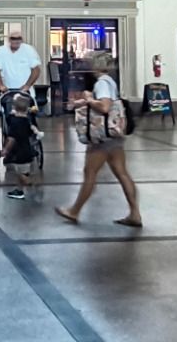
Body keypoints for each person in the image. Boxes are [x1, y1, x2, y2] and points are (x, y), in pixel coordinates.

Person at [55, 52, 142, 227]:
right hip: (114, 135)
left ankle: (74, 211)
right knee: (122, 173)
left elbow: (104, 106)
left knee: (90, 173)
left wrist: (88, 99)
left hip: (102, 137)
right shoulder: (109, 81)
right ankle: (135, 213)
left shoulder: (102, 83)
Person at [0, 30, 42, 107]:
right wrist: (0, 85)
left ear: (21, 40)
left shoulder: (29, 49)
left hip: (25, 91)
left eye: (18, 38)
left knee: (28, 114)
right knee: (8, 112)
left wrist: (27, 85)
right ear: (9, 39)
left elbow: (36, 70)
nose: (16, 40)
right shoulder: (1, 50)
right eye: (13, 38)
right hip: (7, 90)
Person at [1, 94, 40, 199]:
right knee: (24, 172)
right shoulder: (26, 120)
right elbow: (30, 132)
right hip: (27, 150)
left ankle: (31, 183)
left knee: (19, 173)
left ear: (14, 107)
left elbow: (11, 139)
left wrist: (5, 150)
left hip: (19, 153)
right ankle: (19, 190)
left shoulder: (14, 122)